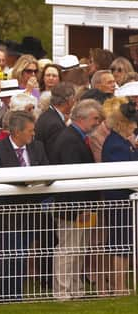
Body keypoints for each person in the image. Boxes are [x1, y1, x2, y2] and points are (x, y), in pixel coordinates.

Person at [0, 111, 48, 299]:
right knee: (14, 255)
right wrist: (26, 183)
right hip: (8, 213)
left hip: (31, 212)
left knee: (22, 254)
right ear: (17, 132)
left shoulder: (37, 147)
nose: (33, 134)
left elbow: (47, 170)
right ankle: (9, 295)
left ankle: (15, 293)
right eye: (30, 131)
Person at [50, 99, 103, 300]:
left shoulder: (76, 137)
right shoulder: (69, 139)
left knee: (79, 250)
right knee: (68, 250)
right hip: (73, 207)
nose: (97, 123)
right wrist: (81, 207)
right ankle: (62, 292)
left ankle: (75, 288)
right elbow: (73, 175)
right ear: (81, 118)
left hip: (82, 206)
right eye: (94, 119)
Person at [101, 99, 138, 294]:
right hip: (120, 201)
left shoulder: (124, 142)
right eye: (133, 124)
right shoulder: (116, 144)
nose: (135, 127)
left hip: (127, 201)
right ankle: (119, 287)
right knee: (120, 246)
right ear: (123, 124)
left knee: (126, 245)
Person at [35, 82, 75, 159]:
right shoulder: (55, 125)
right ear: (69, 101)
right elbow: (55, 154)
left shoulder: (46, 115)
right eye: (73, 99)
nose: (74, 102)